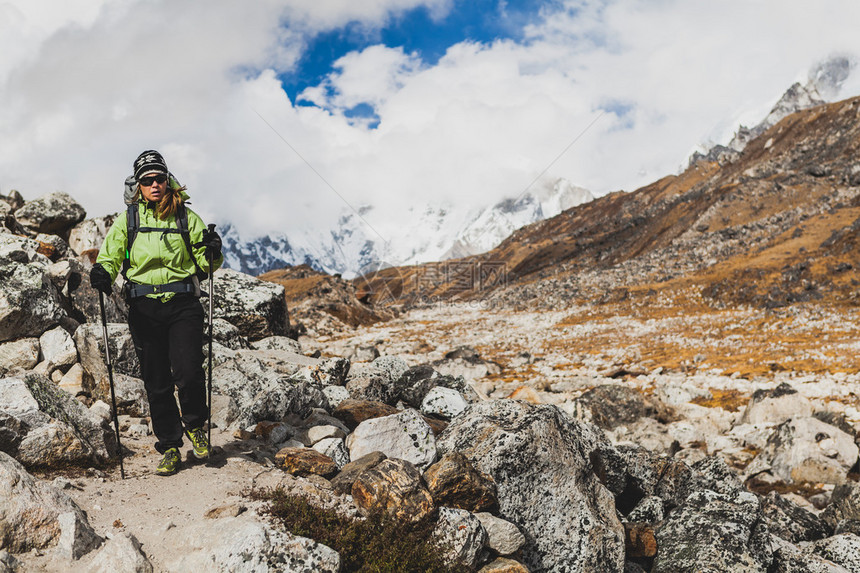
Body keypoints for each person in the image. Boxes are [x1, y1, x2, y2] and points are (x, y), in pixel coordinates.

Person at [90, 150, 223, 476]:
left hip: (183, 305)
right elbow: (111, 254)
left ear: (168, 181)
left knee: (190, 371)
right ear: (138, 185)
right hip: (144, 308)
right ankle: (170, 447)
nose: (154, 184)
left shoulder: (186, 218)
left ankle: (195, 426)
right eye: (146, 180)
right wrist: (102, 273)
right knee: (157, 381)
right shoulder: (129, 220)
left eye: (159, 178)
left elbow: (206, 266)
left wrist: (213, 251)